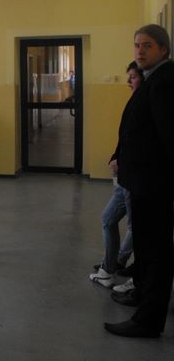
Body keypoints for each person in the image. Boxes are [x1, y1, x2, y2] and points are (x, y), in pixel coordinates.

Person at [104, 24, 174, 338]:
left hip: (154, 184)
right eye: (137, 45)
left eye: (147, 45)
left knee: (156, 252)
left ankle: (148, 320)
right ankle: (141, 295)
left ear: (163, 49)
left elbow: (169, 136)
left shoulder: (164, 81)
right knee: (145, 247)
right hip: (143, 182)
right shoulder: (151, 78)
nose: (140, 51)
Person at [89, 61, 142, 287]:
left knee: (135, 226)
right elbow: (126, 138)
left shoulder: (149, 104)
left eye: (133, 77)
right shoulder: (136, 101)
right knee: (108, 219)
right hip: (125, 175)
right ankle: (112, 265)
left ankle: (124, 270)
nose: (128, 81)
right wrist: (116, 156)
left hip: (135, 177)